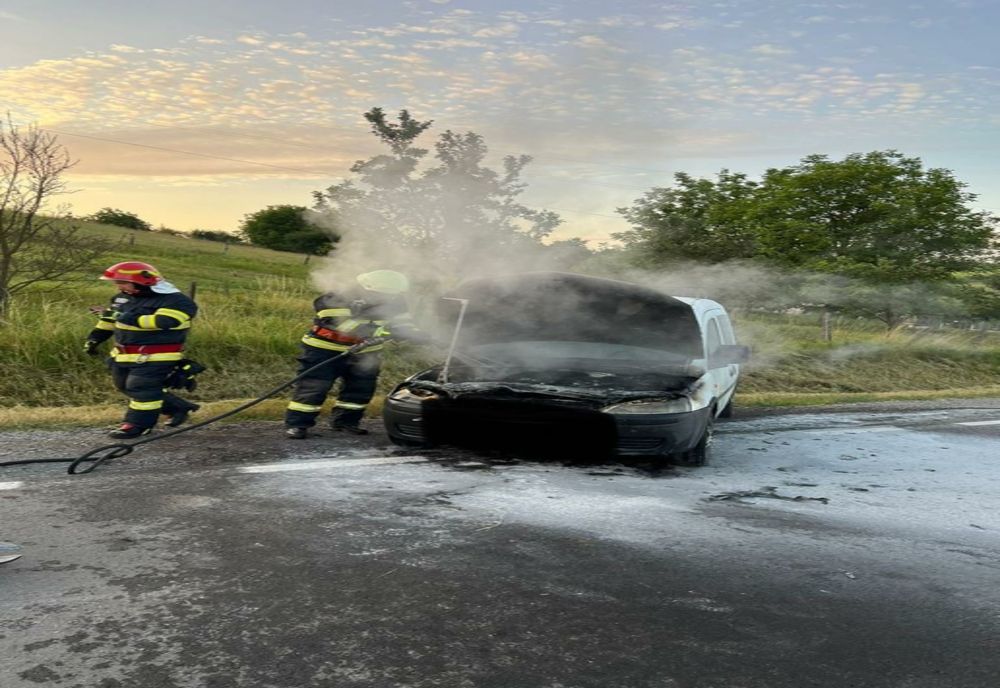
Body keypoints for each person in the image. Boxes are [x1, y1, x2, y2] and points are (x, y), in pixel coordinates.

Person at [284, 269, 421, 439]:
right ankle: (298, 425)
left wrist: (417, 334)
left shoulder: (395, 298)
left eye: (392, 295)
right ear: (368, 288)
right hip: (324, 349)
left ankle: (345, 422)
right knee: (314, 387)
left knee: (360, 389)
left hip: (366, 352)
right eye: (384, 294)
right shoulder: (335, 298)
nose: (390, 299)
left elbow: (403, 322)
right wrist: (385, 332)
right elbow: (343, 325)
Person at [84, 261, 200, 439]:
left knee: (141, 387)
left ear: (141, 281)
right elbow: (109, 320)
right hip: (123, 354)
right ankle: (178, 407)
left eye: (122, 282)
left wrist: (122, 316)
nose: (118, 286)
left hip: (156, 355)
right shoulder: (121, 298)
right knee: (124, 386)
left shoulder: (177, 301)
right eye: (116, 283)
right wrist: (94, 339)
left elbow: (164, 322)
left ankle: (138, 425)